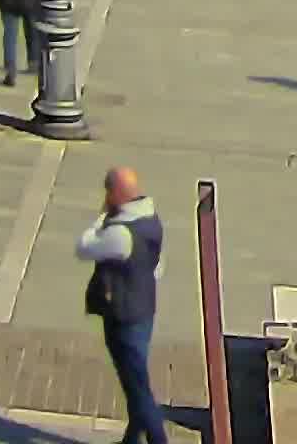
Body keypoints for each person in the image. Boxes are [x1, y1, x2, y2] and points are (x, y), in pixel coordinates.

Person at [76, 165, 167, 444]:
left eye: (107, 192)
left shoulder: (120, 234)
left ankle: (158, 440)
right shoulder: (151, 221)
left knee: (138, 388)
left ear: (115, 194)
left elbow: (85, 247)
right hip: (144, 310)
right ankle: (132, 439)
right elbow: (157, 267)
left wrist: (101, 217)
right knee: (135, 381)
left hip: (123, 317)